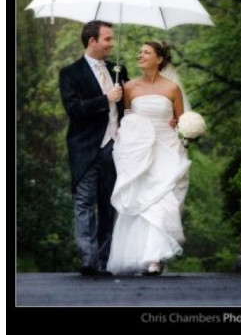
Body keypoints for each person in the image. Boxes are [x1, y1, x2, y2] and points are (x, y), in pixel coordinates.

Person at [106, 41, 191, 276]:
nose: (140, 55)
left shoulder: (172, 89)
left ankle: (154, 256)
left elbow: (181, 123)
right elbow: (126, 121)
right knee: (142, 201)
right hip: (139, 152)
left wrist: (181, 127)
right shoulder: (129, 88)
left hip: (166, 148)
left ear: (159, 59)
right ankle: (145, 254)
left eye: (146, 52)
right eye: (139, 51)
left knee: (162, 201)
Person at [59, 20, 128, 276]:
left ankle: (104, 259)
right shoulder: (70, 73)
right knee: (85, 204)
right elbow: (74, 110)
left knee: (110, 204)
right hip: (85, 148)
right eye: (108, 39)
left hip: (115, 146)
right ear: (92, 41)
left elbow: (128, 108)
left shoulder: (119, 70)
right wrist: (105, 99)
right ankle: (89, 260)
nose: (112, 44)